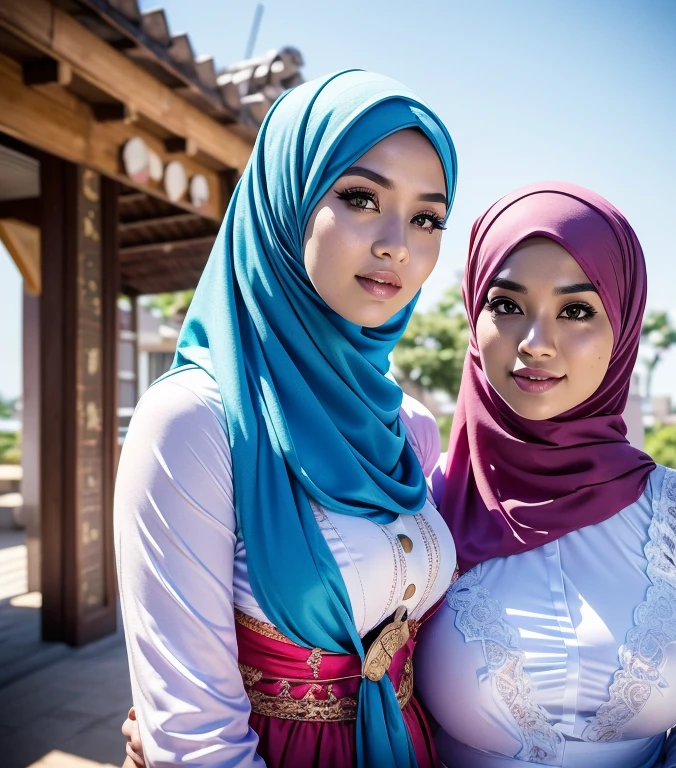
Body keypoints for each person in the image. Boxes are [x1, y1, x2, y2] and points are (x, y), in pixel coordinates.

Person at [114, 69, 458, 768]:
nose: (398, 243)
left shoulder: (410, 428)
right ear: (285, 202)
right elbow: (197, 743)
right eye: (361, 197)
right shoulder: (194, 424)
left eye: (428, 217)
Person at [416, 182, 676, 767]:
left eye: (576, 310)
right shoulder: (421, 504)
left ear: (623, 328)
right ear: (472, 316)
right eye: (506, 305)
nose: (536, 343)